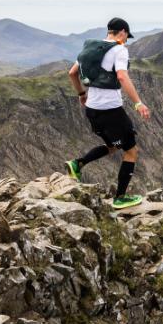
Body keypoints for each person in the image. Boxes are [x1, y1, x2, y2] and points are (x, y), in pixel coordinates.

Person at [64, 17, 150, 209]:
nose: (126, 40)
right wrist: (138, 103)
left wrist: (81, 93)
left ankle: (78, 163)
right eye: (127, 36)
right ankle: (120, 198)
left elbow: (72, 72)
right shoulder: (120, 50)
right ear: (122, 32)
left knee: (112, 146)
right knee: (131, 151)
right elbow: (121, 75)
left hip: (92, 110)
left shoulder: (90, 48)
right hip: (110, 110)